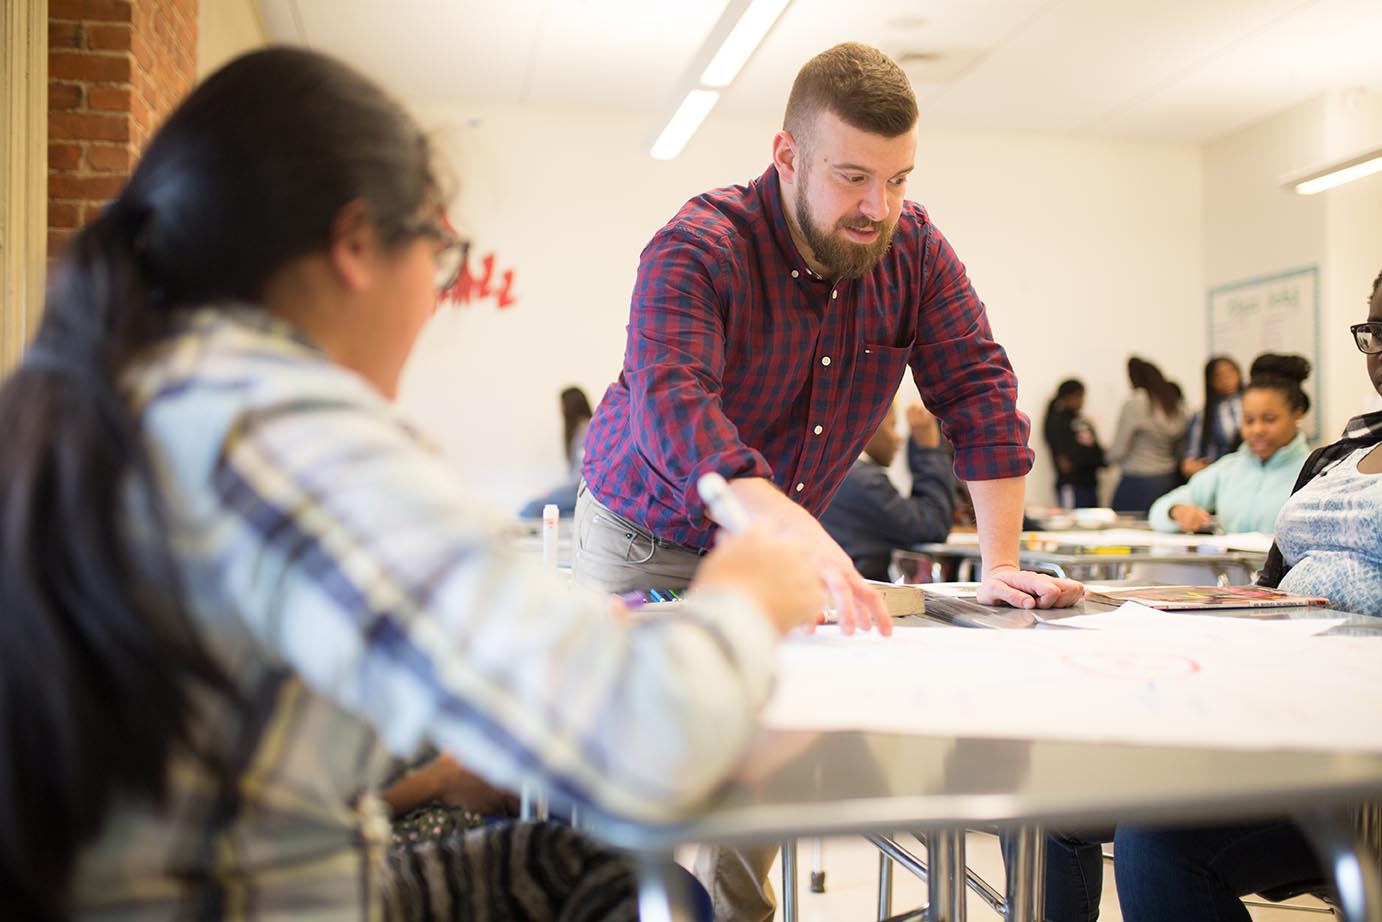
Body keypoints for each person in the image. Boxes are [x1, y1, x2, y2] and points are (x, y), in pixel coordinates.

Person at [0, 47, 830, 921]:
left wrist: (498, 703)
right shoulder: (292, 434)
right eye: (438, 260)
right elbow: (647, 741)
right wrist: (742, 598)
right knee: (656, 894)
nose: (435, 301)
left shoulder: (138, 388)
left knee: (576, 865)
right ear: (357, 245)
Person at [573, 41, 1083, 921]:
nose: (877, 208)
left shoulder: (915, 250)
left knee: (761, 768)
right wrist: (781, 527)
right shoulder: (699, 246)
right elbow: (672, 402)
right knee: (637, 775)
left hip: (778, 543)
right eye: (852, 179)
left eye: (898, 180)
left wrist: (1001, 560)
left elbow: (978, 390)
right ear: (787, 156)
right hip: (646, 534)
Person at [1040, 271, 1382, 922]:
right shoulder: (1338, 456)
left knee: (1154, 840)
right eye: (1374, 330)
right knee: (1055, 795)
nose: (1381, 348)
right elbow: (1269, 588)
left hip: (1349, 742)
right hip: (1266, 709)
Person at [1148, 353, 1311, 534]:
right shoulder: (1229, 468)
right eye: (1248, 420)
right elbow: (1159, 509)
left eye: (1269, 419)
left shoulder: (1316, 475)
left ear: (1297, 414)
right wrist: (1177, 512)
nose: (1257, 430)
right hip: (1232, 563)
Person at [819, 401, 955, 581]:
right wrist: (928, 450)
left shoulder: (834, 474)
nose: (898, 438)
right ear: (869, 424)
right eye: (892, 425)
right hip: (860, 597)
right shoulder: (862, 481)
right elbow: (932, 526)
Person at [1107, 356, 1187, 514]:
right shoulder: (1172, 403)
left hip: (1137, 480)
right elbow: (1180, 447)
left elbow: (1119, 449)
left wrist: (1105, 458)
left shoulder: (1135, 403)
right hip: (1167, 480)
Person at [518, 385, 592, 517]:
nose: (559, 410)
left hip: (581, 493)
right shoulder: (582, 431)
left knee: (530, 508)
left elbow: (578, 479)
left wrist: (550, 492)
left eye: (561, 405)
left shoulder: (586, 432)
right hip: (577, 492)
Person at [1042, 378, 1105, 509]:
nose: (1082, 400)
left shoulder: (1082, 420)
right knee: (1072, 523)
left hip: (1090, 482)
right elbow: (1066, 462)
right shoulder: (1056, 421)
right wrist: (1087, 457)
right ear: (1066, 397)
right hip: (1071, 484)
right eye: (1078, 396)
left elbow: (1098, 454)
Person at [1182, 355, 1244, 478]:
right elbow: (1190, 460)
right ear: (1210, 381)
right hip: (1219, 475)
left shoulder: (1250, 405)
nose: (1226, 379)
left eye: (1231, 372)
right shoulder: (1203, 415)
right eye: (1219, 376)